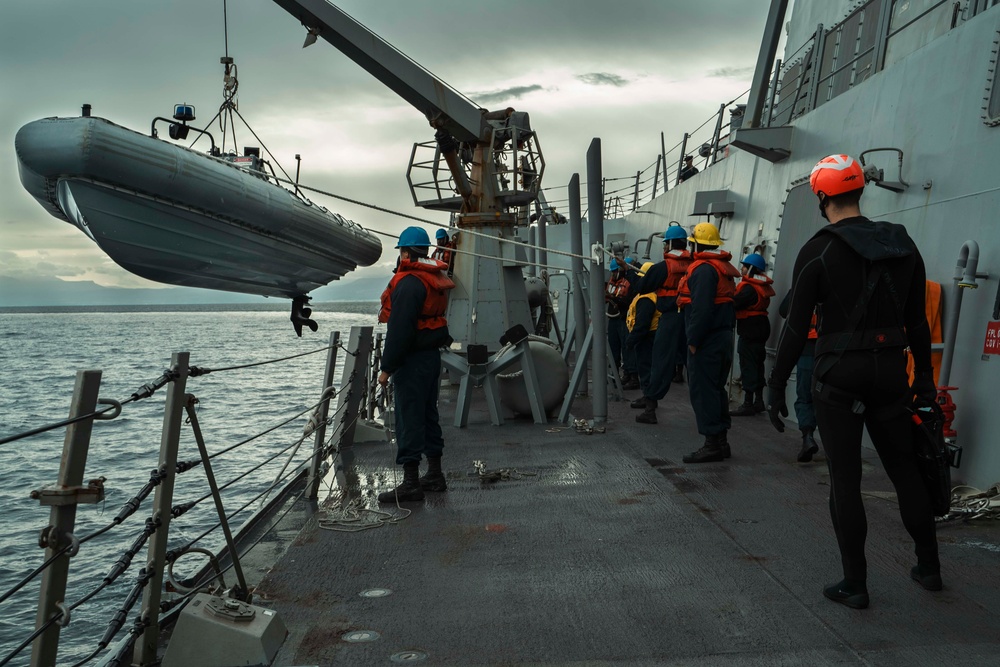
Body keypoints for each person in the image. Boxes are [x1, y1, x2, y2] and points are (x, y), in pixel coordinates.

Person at [766, 154, 940, 609]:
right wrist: (923, 379)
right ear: (859, 191)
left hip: (838, 377)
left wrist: (774, 385)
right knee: (905, 470)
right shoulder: (902, 243)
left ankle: (855, 584)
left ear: (823, 196)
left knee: (845, 479)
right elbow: (918, 323)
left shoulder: (818, 250)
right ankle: (929, 567)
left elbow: (794, 327)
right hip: (890, 372)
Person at [376, 226, 455, 503]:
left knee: (409, 418)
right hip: (431, 357)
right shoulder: (433, 278)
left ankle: (411, 482)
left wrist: (387, 369)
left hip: (412, 361)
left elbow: (400, 332)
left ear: (406, 252)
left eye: (401, 251)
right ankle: (434, 474)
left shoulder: (408, 283)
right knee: (427, 415)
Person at [676, 222, 740, 462]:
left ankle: (712, 443)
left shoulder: (703, 270)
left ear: (695, 244)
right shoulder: (719, 268)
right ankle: (721, 442)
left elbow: (702, 310)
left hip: (707, 340)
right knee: (715, 389)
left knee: (703, 390)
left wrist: (693, 341)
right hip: (722, 337)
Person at [632, 224, 692, 424]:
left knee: (660, 361)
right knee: (693, 362)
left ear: (669, 244)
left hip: (670, 319)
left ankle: (650, 408)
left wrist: (631, 273)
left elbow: (641, 287)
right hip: (691, 318)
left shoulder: (662, 268)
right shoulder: (695, 265)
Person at [730, 253, 775, 417]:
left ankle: (748, 403)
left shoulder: (749, 288)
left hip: (750, 329)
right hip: (761, 327)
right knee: (757, 364)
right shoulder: (761, 286)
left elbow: (735, 303)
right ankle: (758, 401)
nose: (741, 268)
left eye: (744, 266)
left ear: (750, 268)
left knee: (748, 364)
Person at [778, 291, 820, 463]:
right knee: (829, 400)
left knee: (804, 397)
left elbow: (783, 310)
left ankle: (807, 437)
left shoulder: (804, 283)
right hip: (833, 351)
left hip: (808, 350)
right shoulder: (838, 281)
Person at [625, 262, 660, 409]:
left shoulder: (646, 298)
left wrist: (630, 341)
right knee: (647, 369)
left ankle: (649, 402)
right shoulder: (648, 295)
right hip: (649, 337)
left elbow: (642, 324)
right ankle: (648, 397)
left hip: (647, 338)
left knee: (646, 369)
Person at [605, 258, 639, 389]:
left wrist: (615, 299)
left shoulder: (630, 282)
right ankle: (617, 374)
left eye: (614, 272)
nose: (612, 275)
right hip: (614, 319)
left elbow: (629, 301)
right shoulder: (612, 282)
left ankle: (632, 376)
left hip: (625, 318)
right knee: (614, 347)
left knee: (627, 348)